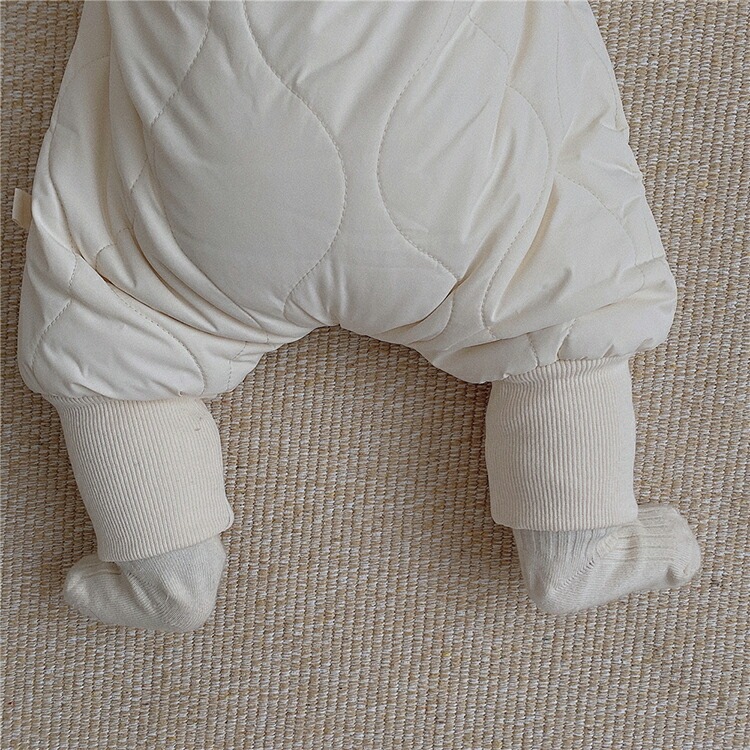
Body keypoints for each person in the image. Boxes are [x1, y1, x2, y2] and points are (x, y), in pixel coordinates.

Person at [15, 0, 700, 632]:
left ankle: (164, 571)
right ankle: (579, 544)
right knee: (552, 302)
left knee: (122, 326)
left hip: (222, 178)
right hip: (452, 174)